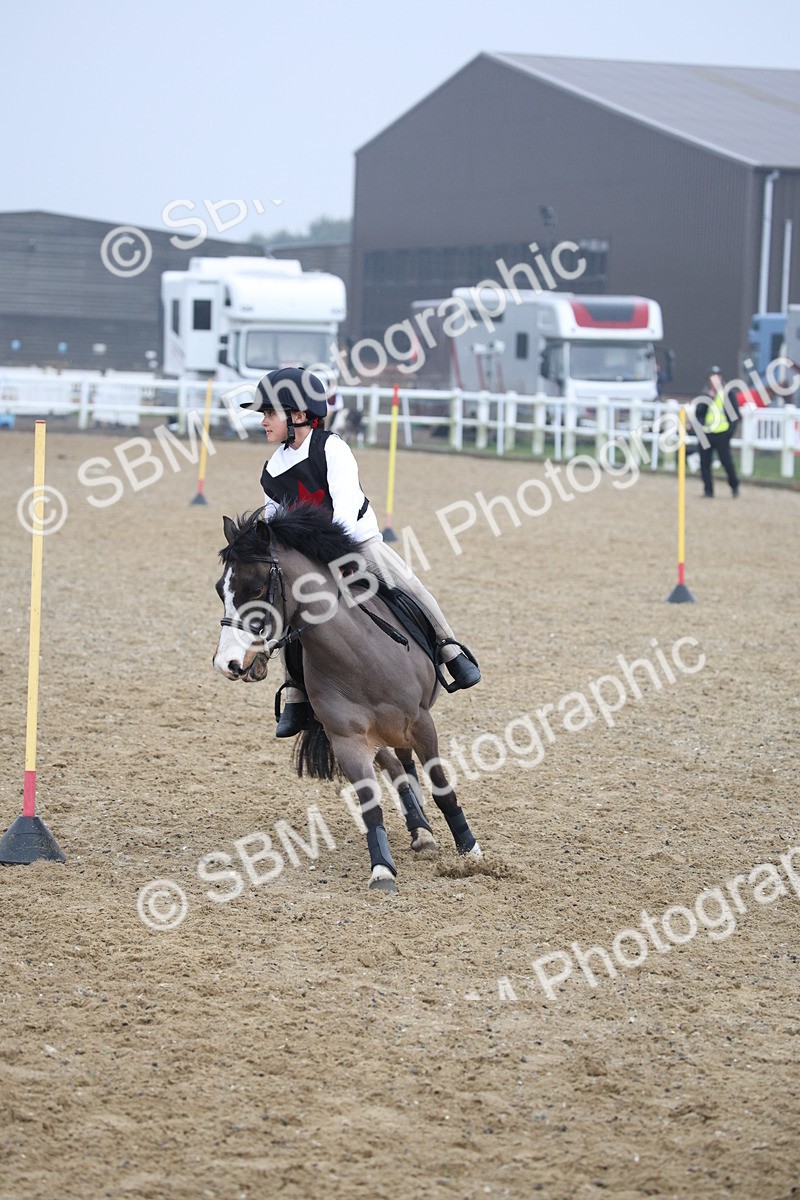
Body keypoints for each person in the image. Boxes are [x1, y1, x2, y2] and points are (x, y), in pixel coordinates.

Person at [240, 367, 481, 737]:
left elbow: (346, 511)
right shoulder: (272, 470)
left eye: (269, 413)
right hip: (309, 559)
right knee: (288, 611)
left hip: (356, 542)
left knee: (407, 582)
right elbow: (273, 526)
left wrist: (338, 559)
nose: (263, 421)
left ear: (299, 416)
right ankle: (295, 694)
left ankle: (449, 648)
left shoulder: (331, 448)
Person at [694, 367, 740, 498]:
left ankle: (734, 485)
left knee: (726, 462)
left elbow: (734, 415)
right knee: (704, 463)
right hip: (706, 433)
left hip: (722, 434)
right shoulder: (705, 394)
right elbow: (699, 413)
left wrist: (729, 433)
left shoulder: (728, 394)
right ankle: (708, 491)